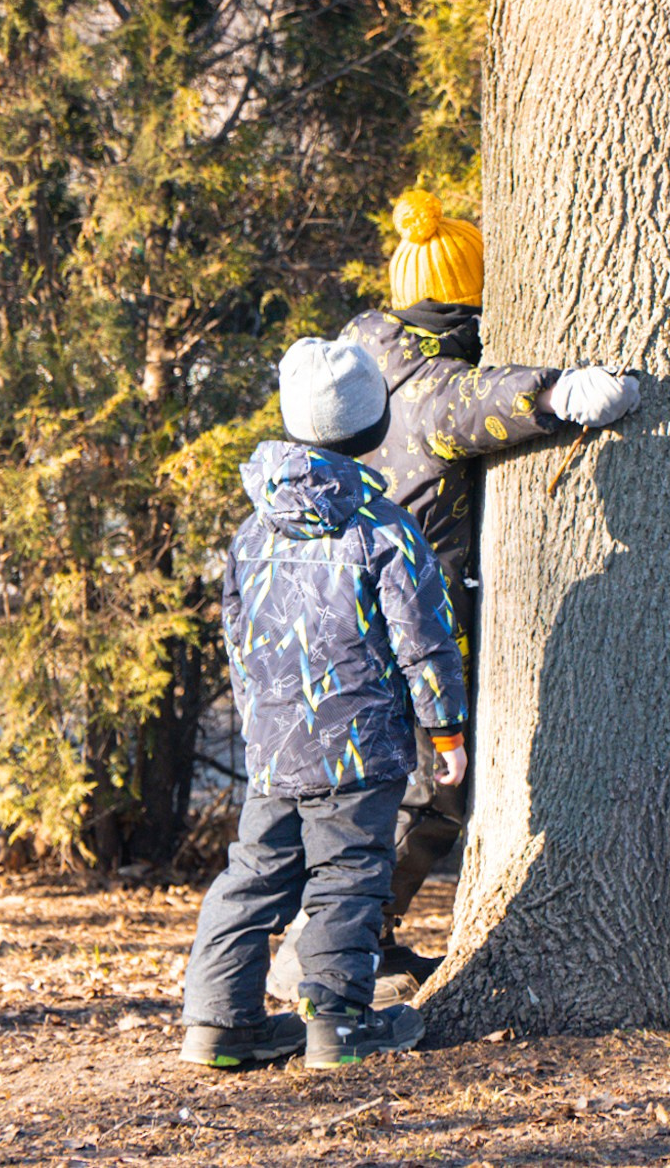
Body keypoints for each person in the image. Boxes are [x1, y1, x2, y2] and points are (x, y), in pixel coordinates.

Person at [269, 189, 640, 997]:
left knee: (377, 799)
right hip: (406, 630)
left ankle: (337, 944)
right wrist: (563, 392)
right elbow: (481, 405)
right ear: (466, 297)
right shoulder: (427, 382)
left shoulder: (363, 362)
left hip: (341, 630)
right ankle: (317, 959)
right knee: (427, 794)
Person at [178, 336, 468, 1071]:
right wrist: (445, 727)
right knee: (350, 874)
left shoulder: (251, 531)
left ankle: (217, 1021)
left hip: (276, 742)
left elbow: (236, 633)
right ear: (374, 429)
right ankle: (337, 1022)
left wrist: (262, 721)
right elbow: (423, 639)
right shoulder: (382, 529)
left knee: (255, 873)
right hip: (357, 742)